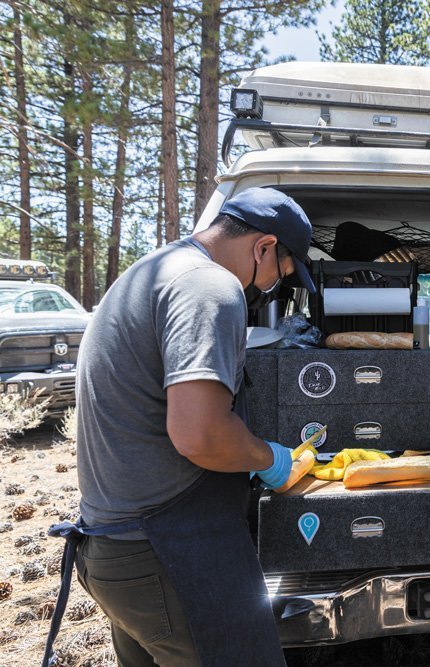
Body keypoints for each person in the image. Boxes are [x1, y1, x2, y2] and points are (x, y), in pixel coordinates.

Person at [43, 188, 315, 667]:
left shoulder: (154, 271)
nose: (270, 289)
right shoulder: (209, 287)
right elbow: (201, 435)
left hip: (117, 547)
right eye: (281, 277)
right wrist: (268, 458)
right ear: (264, 246)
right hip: (168, 553)